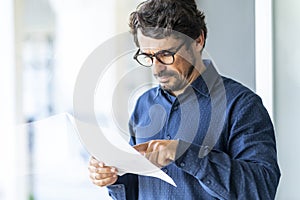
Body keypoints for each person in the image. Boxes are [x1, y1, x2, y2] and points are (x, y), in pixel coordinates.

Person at [88, 0, 281, 199]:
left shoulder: (242, 105)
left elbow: (262, 189)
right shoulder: (143, 105)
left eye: (166, 54)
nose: (156, 68)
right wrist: (115, 176)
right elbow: (140, 191)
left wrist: (185, 153)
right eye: (148, 56)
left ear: (198, 40)